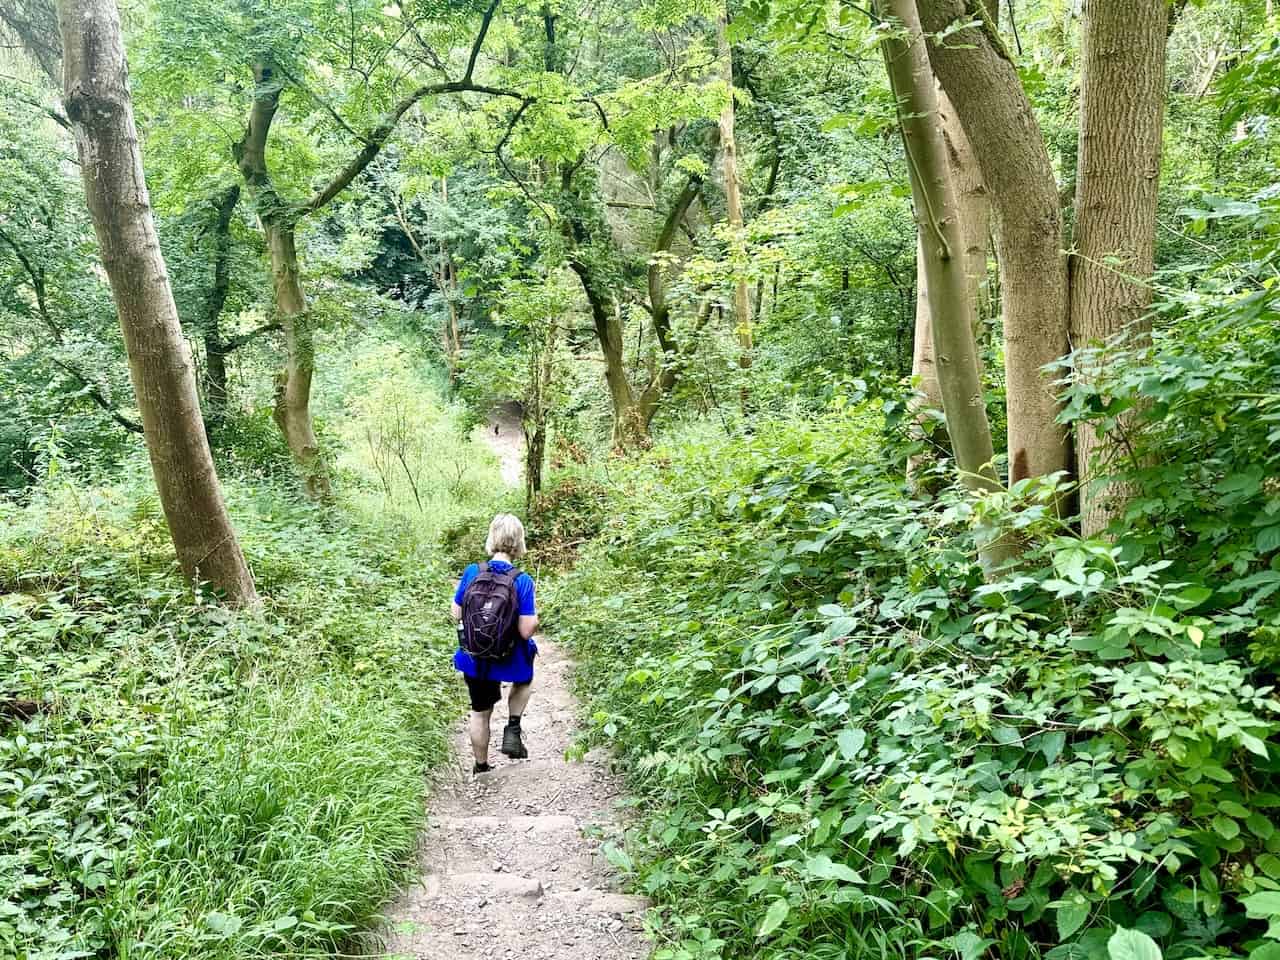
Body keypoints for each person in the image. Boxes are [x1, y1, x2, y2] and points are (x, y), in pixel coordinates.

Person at [450, 513, 538, 774]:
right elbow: (525, 630)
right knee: (525, 676)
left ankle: (481, 766)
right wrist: (535, 620)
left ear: (492, 538)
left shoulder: (472, 571)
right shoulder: (522, 580)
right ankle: (512, 724)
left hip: (476, 657)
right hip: (509, 658)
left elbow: (456, 614)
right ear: (519, 541)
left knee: (480, 711)